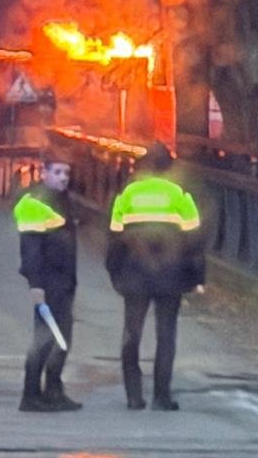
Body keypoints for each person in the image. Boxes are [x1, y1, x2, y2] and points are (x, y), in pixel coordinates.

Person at [106, 142, 205, 411]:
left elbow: (115, 238)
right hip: (170, 275)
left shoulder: (128, 194)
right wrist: (197, 278)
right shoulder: (179, 194)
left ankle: (133, 396)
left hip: (134, 274)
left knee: (132, 334)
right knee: (166, 335)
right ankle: (162, 397)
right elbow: (194, 241)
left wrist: (114, 272)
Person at [13, 156, 82, 414]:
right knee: (44, 338)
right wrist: (36, 285)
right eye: (58, 172)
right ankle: (31, 394)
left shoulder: (62, 200)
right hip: (49, 281)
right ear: (44, 173)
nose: (64, 177)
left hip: (64, 280)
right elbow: (31, 249)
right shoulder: (36, 203)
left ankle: (53, 389)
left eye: (67, 172)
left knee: (61, 337)